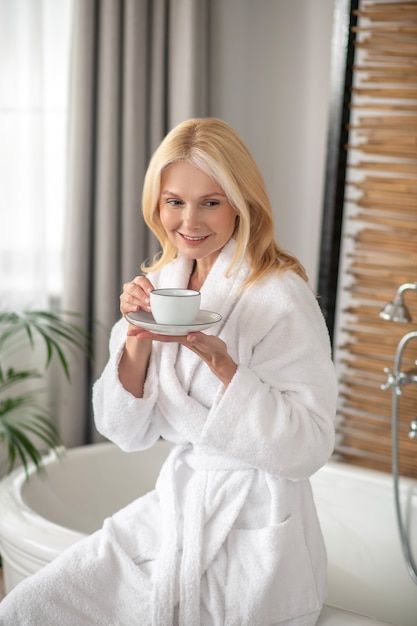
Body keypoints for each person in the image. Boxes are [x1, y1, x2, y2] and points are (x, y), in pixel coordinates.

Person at [0, 118, 338, 625]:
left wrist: (226, 368)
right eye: (174, 201)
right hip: (178, 505)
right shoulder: (160, 285)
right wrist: (135, 338)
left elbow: (309, 445)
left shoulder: (279, 295)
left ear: (241, 203)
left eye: (211, 201)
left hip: (256, 514)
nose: (190, 221)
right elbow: (125, 432)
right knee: (31, 606)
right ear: (156, 206)